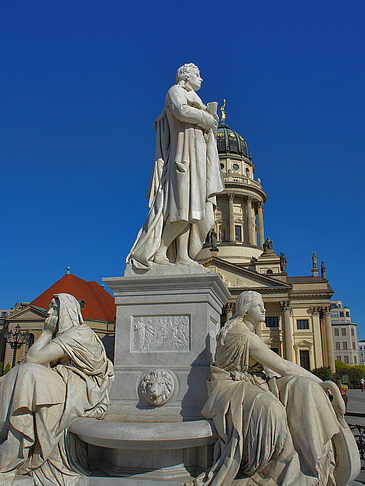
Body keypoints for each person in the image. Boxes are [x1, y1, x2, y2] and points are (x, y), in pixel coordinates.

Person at [198, 291, 359, 486]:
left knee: (303, 387)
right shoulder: (242, 335)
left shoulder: (247, 331)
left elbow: (274, 368)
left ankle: (316, 459)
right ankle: (275, 470)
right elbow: (282, 366)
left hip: (257, 380)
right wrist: (323, 382)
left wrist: (318, 384)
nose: (265, 309)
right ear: (246, 310)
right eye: (259, 306)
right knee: (273, 409)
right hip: (234, 387)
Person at [0, 293, 114, 485]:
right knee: (17, 375)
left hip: (83, 388)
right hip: (65, 380)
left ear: (66, 311)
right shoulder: (65, 335)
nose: (49, 313)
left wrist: (45, 332)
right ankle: (12, 443)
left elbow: (33, 358)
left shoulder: (79, 334)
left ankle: (12, 453)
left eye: (54, 308)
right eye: (50, 307)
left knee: (28, 374)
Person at [127, 63, 224, 269]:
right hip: (183, 157)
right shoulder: (175, 91)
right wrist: (207, 118)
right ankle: (161, 250)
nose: (202, 79)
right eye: (198, 75)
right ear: (187, 76)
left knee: (194, 211)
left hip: (198, 160)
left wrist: (211, 122)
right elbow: (181, 111)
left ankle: (182, 255)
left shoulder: (197, 99)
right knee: (181, 208)